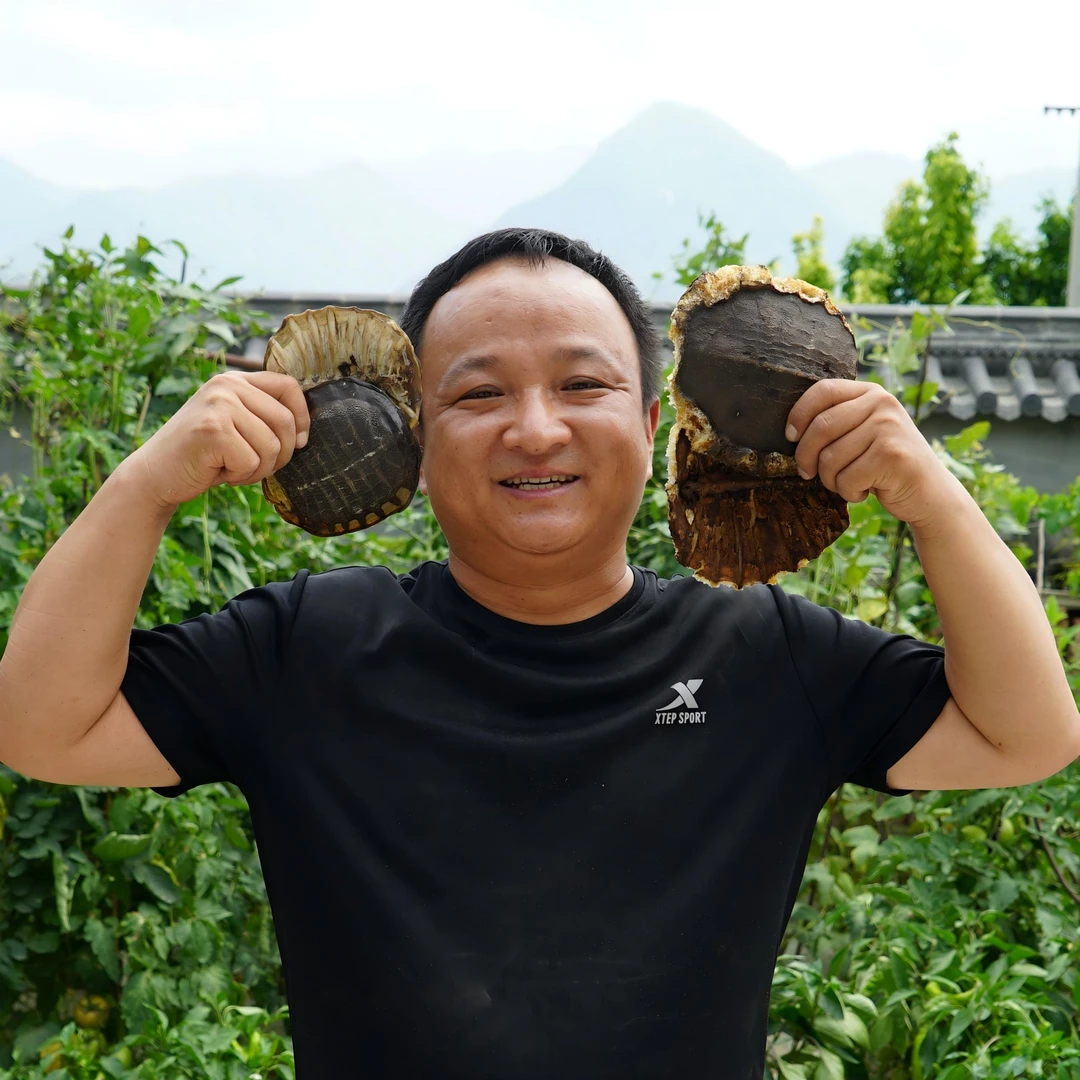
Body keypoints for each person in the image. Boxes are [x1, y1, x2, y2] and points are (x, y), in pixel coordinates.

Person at [1, 228, 1077, 1078]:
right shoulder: (309, 648)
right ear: (417, 437)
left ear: (656, 422)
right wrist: (147, 483)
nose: (535, 428)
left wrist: (931, 496)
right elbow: (42, 726)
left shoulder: (763, 655)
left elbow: (1026, 734)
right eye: (478, 393)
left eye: (582, 385)